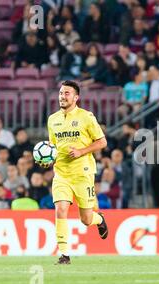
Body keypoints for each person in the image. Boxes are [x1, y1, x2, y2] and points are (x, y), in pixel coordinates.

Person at [39, 80, 108, 265]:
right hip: (61, 173)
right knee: (61, 209)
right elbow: (53, 147)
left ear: (76, 97)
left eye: (67, 93)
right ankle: (64, 254)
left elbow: (102, 142)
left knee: (86, 219)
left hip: (83, 173)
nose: (62, 96)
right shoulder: (52, 119)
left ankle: (99, 219)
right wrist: (48, 160)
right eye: (61, 93)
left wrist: (81, 151)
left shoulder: (86, 117)